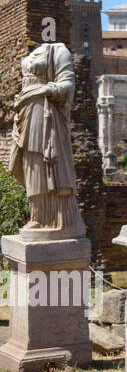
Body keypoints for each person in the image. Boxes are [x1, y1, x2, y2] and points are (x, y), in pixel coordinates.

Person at [8, 41, 83, 234]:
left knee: (45, 161)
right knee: (30, 164)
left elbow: (68, 84)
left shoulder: (58, 50)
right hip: (25, 110)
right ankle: (37, 216)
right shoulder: (32, 54)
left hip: (45, 112)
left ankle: (60, 218)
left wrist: (48, 89)